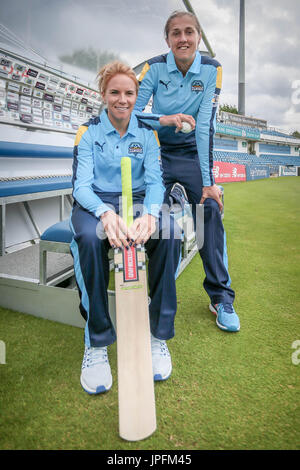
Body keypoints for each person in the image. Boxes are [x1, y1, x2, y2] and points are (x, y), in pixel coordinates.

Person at [70, 61, 185, 395]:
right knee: (89, 240)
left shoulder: (147, 134)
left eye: (129, 93)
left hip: (137, 200)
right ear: (104, 95)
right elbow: (81, 187)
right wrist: (105, 214)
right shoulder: (88, 131)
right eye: (115, 92)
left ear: (138, 96)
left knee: (170, 232)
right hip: (97, 203)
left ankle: (157, 336)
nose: (123, 99)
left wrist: (150, 214)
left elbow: (154, 182)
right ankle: (97, 342)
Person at [135, 10, 240, 332]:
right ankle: (152, 294)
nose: (183, 38)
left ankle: (221, 297)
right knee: (155, 217)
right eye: (176, 33)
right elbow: (132, 115)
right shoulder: (153, 67)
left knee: (209, 210)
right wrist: (165, 119)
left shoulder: (212, 69)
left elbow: (205, 125)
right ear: (167, 40)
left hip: (193, 154)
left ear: (197, 37)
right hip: (157, 154)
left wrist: (209, 183)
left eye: (189, 32)